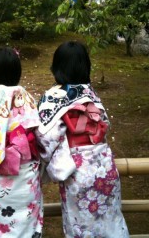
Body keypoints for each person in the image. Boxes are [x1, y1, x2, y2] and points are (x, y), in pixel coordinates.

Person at [36, 41, 129, 237]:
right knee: (111, 224)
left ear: (57, 66)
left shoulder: (53, 96)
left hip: (78, 172)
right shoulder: (90, 92)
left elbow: (46, 139)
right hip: (104, 165)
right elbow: (105, 124)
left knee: (81, 228)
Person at [0, 47, 43, 238]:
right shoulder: (28, 100)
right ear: (17, 72)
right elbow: (41, 137)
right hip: (27, 176)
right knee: (28, 228)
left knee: (0, 229)